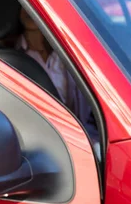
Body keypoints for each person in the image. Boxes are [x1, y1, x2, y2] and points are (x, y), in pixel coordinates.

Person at [15, 8, 99, 143]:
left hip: (81, 139)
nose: (28, 12)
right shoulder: (9, 59)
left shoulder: (75, 53)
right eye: (22, 7)